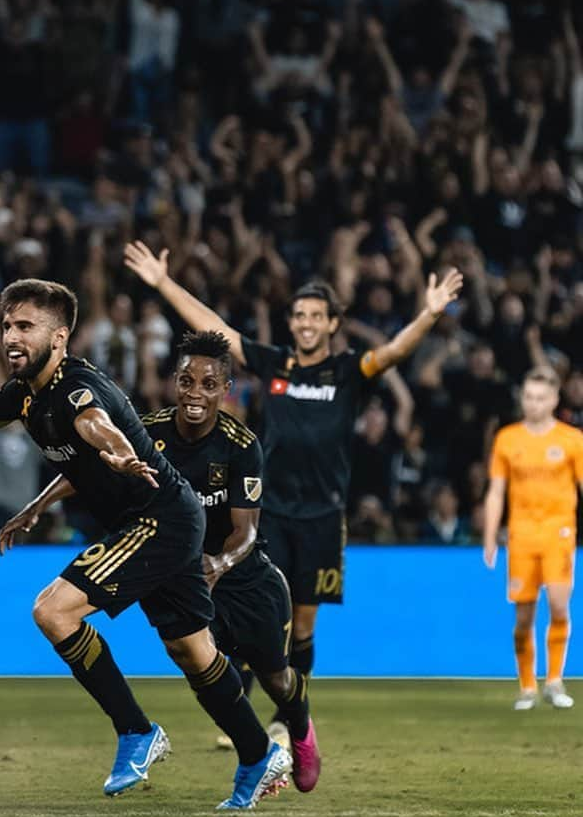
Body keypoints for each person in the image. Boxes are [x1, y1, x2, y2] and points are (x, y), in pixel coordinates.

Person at [0, 278, 292, 810]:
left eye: (25, 327)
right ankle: (256, 753)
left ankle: (136, 731)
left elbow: (95, 425)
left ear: (60, 337)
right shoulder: (24, 394)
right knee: (191, 649)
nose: (10, 337)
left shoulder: (76, 389)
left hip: (160, 518)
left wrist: (114, 450)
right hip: (159, 519)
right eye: (6, 326)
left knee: (52, 611)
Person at [124, 241, 463, 684]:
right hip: (269, 511)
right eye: (300, 315)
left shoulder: (347, 371)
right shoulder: (276, 363)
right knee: (253, 609)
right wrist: (164, 282)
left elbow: (395, 352)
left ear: (332, 323)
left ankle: (289, 717)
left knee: (303, 625)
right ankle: (240, 706)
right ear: (291, 322)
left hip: (323, 515)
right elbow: (217, 329)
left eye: (316, 316)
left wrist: (429, 313)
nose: (306, 323)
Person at [0, 331, 321, 793]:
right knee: (192, 658)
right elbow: (88, 465)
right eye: (186, 381)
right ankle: (257, 758)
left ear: (223, 390)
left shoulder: (240, 444)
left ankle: (300, 730)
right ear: (175, 382)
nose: (195, 393)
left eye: (208, 384)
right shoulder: (149, 431)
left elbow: (245, 532)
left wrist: (219, 564)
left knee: (278, 677)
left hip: (244, 580)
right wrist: (36, 506)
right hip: (180, 565)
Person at [483, 366, 583, 711]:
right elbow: (496, 490)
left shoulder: (572, 440)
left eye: (541, 397)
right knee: (523, 618)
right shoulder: (508, 439)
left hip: (559, 532)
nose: (534, 403)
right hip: (522, 535)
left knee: (559, 605)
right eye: (528, 397)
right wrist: (489, 535)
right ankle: (527, 685)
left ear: (555, 399)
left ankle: (554, 680)